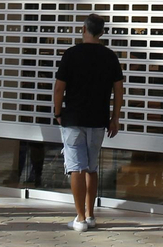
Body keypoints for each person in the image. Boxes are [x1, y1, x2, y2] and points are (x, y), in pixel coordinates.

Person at [52, 13, 124, 231]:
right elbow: (119, 90)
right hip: (98, 120)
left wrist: (57, 112)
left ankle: (80, 218)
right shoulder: (110, 56)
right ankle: (91, 214)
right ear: (102, 32)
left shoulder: (71, 54)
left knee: (76, 168)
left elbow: (58, 88)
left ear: (83, 29)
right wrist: (115, 118)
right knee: (91, 168)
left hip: (73, 118)